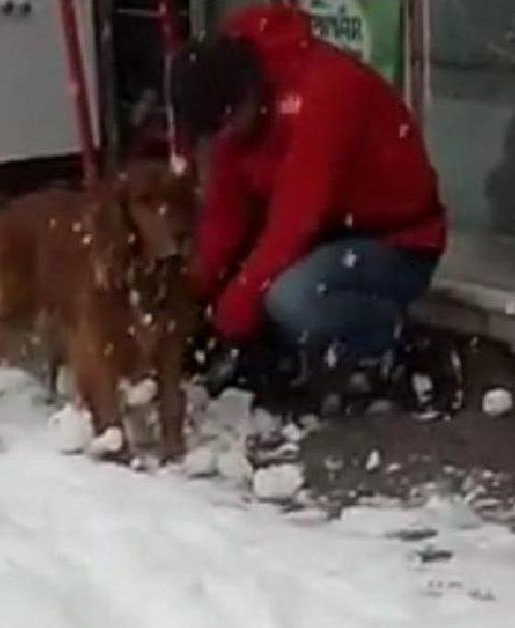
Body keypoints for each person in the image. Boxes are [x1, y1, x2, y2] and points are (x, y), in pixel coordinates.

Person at [170, 4, 447, 402]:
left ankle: (400, 346)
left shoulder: (326, 92)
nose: (221, 141)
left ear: (244, 96)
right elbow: (223, 217)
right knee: (248, 287)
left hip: (398, 242)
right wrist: (197, 295)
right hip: (326, 237)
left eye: (223, 128)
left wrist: (232, 314)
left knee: (291, 298)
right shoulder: (233, 114)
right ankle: (303, 359)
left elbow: (295, 220)